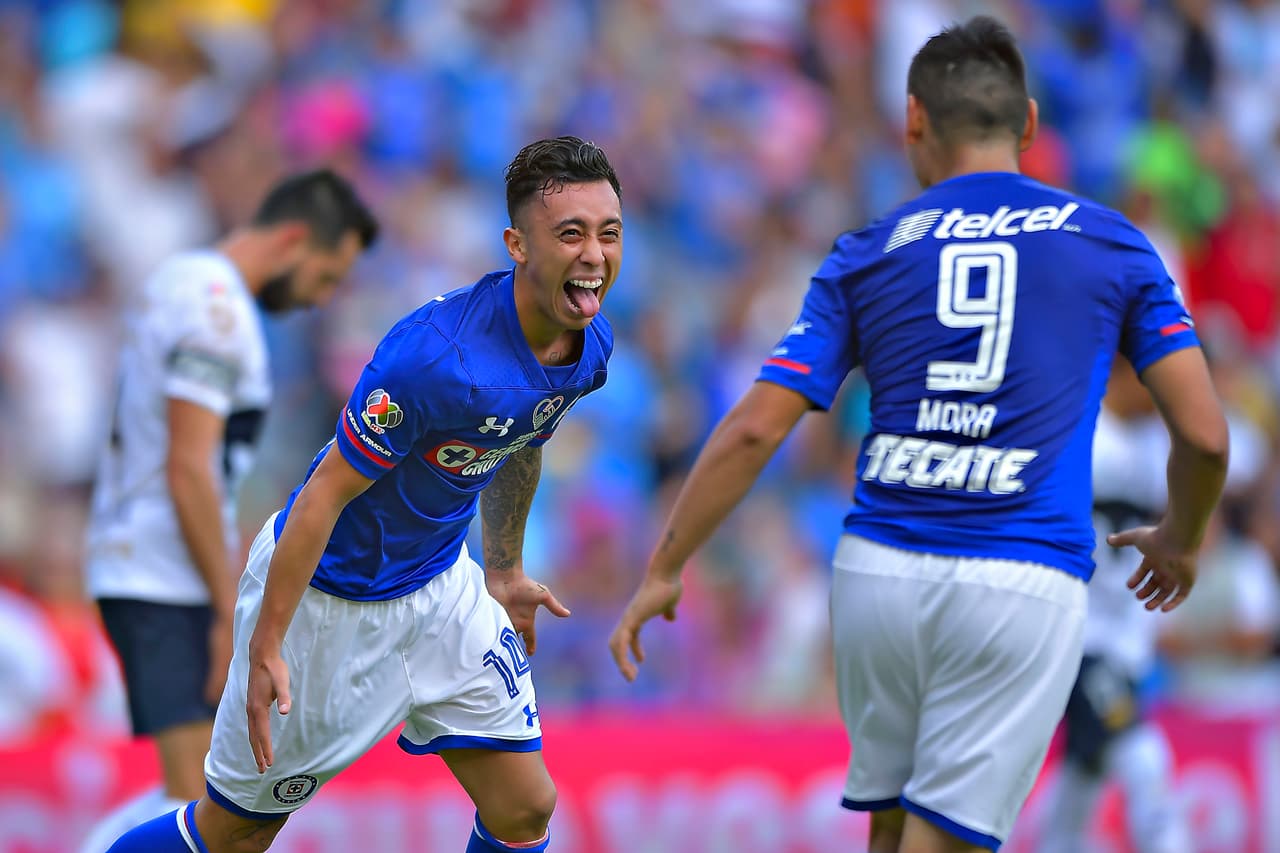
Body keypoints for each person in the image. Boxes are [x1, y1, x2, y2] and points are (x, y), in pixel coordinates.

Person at [609, 16, 1228, 853]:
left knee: (892, 830)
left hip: (880, 571)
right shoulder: (1114, 244)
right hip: (1018, 574)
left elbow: (756, 428)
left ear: (913, 120)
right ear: (1030, 124)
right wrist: (1182, 538)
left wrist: (665, 564)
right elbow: (1205, 436)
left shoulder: (867, 251)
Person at [105, 135, 622, 853]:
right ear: (517, 245)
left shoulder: (588, 344)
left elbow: (523, 435)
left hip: (440, 587)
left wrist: (503, 569)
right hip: (327, 601)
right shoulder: (433, 360)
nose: (594, 254)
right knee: (233, 834)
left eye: (608, 233)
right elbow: (322, 496)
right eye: (570, 234)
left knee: (525, 807)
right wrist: (267, 642)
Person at [81, 169, 379, 853]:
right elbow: (189, 466)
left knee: (195, 800)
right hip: (160, 574)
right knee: (196, 804)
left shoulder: (182, 280)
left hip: (148, 563)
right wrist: (226, 609)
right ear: (294, 239)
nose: (318, 300)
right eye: (325, 277)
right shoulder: (216, 312)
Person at [1039, 358, 1191, 853]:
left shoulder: (1154, 446)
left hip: (1122, 637)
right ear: (1128, 371)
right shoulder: (1078, 433)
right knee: (1142, 756)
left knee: (1087, 768)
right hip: (1074, 634)